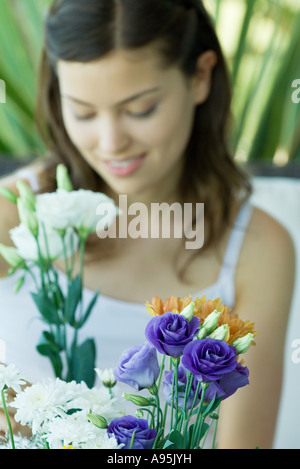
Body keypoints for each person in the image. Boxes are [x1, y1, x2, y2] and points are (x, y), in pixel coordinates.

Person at [0, 0, 295, 449]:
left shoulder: (257, 247)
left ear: (200, 77)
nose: (110, 142)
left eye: (140, 109)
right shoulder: (16, 214)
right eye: (82, 111)